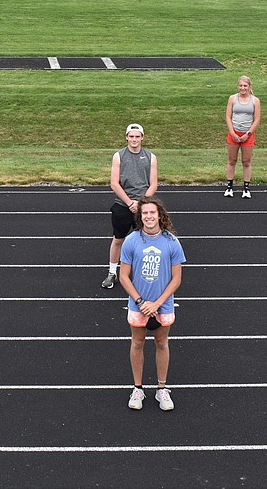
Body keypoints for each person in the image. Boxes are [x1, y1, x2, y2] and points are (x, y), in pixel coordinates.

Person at [118, 196, 185, 411]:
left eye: (152, 213)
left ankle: (162, 389)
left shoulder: (172, 242)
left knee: (161, 343)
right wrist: (140, 301)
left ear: (159, 215)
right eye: (144, 213)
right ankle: (137, 388)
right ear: (140, 216)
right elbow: (124, 277)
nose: (148, 216)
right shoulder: (131, 240)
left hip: (162, 305)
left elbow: (176, 279)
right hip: (138, 304)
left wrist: (156, 303)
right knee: (137, 343)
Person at [102, 123, 158, 289]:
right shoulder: (118, 156)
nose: (134, 139)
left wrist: (140, 203)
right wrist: (129, 203)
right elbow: (114, 183)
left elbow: (153, 184)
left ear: (142, 138)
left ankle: (143, 274)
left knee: (145, 240)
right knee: (118, 240)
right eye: (131, 136)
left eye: (137, 136)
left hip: (144, 206)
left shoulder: (151, 157)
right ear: (126, 137)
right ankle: (112, 272)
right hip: (122, 205)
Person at [223, 75, 261, 199]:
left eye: (245, 86)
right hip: (234, 133)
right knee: (232, 160)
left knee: (246, 161)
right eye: (241, 85)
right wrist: (232, 132)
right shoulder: (232, 99)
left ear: (249, 87)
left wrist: (248, 134)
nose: (242, 88)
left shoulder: (255, 100)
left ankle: (246, 188)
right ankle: (229, 187)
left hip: (247, 135)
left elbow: (257, 119)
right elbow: (228, 116)